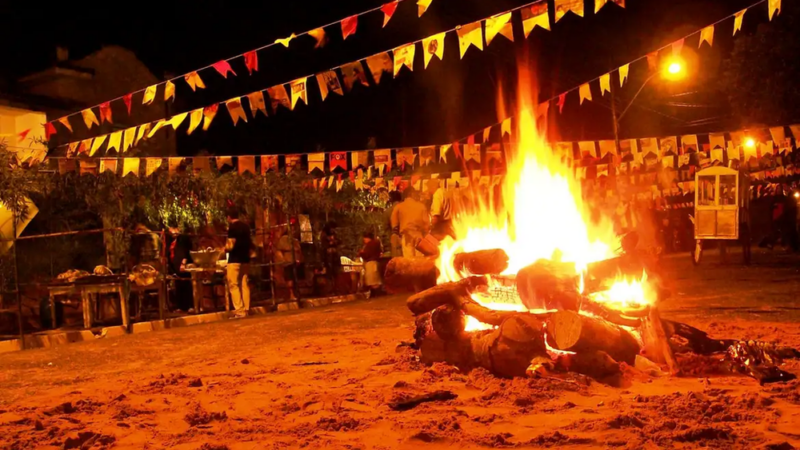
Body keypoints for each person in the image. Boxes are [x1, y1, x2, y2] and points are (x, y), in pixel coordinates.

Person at [226, 209, 252, 318]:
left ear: (229, 217)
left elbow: (230, 245)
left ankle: (239, 310)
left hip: (235, 259)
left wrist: (224, 249)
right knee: (244, 283)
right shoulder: (246, 227)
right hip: (245, 259)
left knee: (233, 284)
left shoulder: (232, 228)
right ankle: (246, 308)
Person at [390, 187, 430, 258]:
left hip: (406, 236)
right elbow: (427, 225)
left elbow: (394, 223)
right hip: (419, 236)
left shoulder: (399, 207)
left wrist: (396, 234)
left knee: (409, 260)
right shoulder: (421, 206)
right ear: (411, 194)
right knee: (419, 261)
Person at [168, 227, 194, 313]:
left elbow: (186, 251)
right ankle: (181, 306)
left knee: (186, 284)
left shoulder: (183, 238)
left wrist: (183, 263)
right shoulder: (172, 240)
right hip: (175, 266)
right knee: (178, 285)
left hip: (182, 265)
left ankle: (190, 306)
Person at [277, 226, 305, 300]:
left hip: (296, 262)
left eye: (294, 229)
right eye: (292, 230)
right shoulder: (284, 239)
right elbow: (279, 251)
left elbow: (299, 251)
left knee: (296, 279)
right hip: (288, 262)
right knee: (290, 279)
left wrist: (300, 259)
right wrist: (283, 260)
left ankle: (297, 294)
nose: (293, 231)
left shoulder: (295, 240)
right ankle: (291, 294)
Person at [386, 191, 403, 257]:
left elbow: (385, 228)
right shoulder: (406, 208)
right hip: (406, 238)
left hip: (394, 239)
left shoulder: (388, 211)